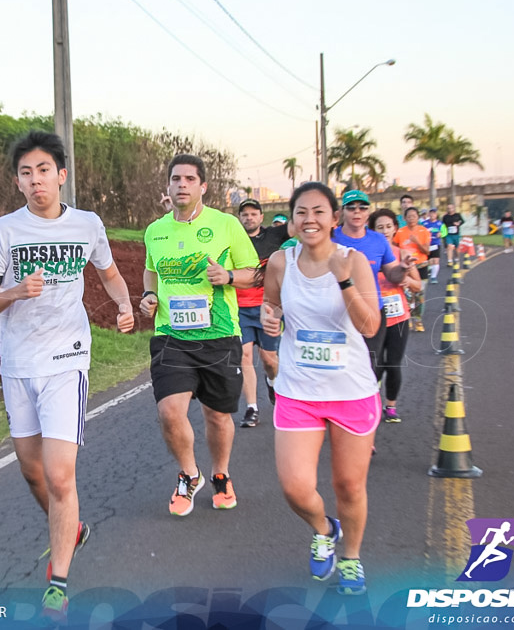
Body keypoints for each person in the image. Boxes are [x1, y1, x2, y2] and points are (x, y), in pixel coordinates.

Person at [0, 130, 134, 622]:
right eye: (26, 173)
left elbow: (107, 272)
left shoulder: (88, 224)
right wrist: (15, 292)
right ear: (18, 182)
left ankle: (58, 581)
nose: (36, 180)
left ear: (61, 175)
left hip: (68, 359)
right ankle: (72, 527)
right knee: (32, 471)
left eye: (43, 170)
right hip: (18, 364)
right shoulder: (2, 231)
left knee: (60, 475)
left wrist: (125, 304)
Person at [261, 181, 382, 596]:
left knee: (349, 485)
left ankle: (350, 557)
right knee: (295, 486)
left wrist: (345, 283)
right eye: (301, 212)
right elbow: (272, 306)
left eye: (318, 212)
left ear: (334, 219)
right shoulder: (281, 262)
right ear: (292, 221)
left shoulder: (354, 260)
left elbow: (370, 326)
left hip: (350, 391)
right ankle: (323, 527)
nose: (309, 219)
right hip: (299, 390)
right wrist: (272, 320)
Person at [140, 154, 260, 516]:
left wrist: (228, 277)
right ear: (168, 185)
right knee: (169, 411)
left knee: (217, 415)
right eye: (176, 178)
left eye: (190, 179)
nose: (182, 185)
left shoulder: (225, 225)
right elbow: (151, 272)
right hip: (171, 335)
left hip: (219, 334)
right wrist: (148, 296)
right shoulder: (155, 230)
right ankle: (189, 475)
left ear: (203, 186)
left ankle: (220, 474)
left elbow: (254, 273)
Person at [331, 190, 414, 371]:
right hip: (337, 312)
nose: (357, 212)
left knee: (369, 366)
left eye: (362, 208)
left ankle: (370, 398)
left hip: (371, 310)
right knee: (339, 366)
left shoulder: (378, 240)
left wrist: (403, 268)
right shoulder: (330, 238)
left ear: (368, 212)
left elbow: (392, 274)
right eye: (351, 208)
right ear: (342, 212)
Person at [235, 199, 291, 427]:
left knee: (269, 360)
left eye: (253, 214)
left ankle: (272, 381)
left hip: (269, 307)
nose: (249, 218)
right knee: (244, 356)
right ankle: (252, 408)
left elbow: (299, 225)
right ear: (240, 218)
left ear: (261, 217)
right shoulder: (232, 239)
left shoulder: (274, 236)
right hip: (239, 308)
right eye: (245, 214)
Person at [368, 209, 423, 422]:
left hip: (398, 318)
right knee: (374, 364)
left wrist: (407, 281)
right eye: (379, 227)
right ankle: (370, 404)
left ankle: (391, 406)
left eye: (388, 227)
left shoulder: (402, 254)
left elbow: (418, 286)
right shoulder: (366, 254)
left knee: (393, 363)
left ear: (394, 229)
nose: (384, 231)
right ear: (372, 230)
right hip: (373, 317)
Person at [393, 207, 430, 332]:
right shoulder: (400, 232)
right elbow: (394, 248)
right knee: (407, 294)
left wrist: (417, 242)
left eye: (414, 216)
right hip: (406, 267)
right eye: (409, 216)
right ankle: (407, 318)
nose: (411, 219)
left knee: (419, 295)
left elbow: (427, 251)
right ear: (405, 218)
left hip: (421, 265)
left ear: (418, 217)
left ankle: (418, 320)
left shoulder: (424, 231)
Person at [423, 208, 444, 283]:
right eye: (431, 213)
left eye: (434, 213)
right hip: (427, 244)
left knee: (436, 260)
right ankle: (430, 271)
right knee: (430, 261)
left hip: (436, 243)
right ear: (429, 214)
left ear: (436, 215)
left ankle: (433, 277)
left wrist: (441, 234)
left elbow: (445, 232)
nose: (432, 215)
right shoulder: (424, 223)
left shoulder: (440, 223)